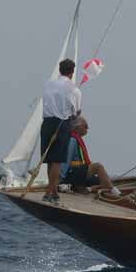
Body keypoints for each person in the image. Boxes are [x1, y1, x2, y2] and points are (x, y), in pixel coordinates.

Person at [41, 59, 82, 203]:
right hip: (61, 124)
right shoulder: (74, 89)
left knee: (49, 160)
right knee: (57, 161)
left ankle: (53, 192)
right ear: (72, 72)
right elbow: (76, 113)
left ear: (60, 70)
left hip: (46, 123)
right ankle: (48, 193)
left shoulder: (48, 84)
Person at [60, 117, 121, 196]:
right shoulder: (72, 140)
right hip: (72, 174)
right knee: (98, 166)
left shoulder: (78, 140)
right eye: (86, 126)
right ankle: (116, 193)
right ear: (78, 127)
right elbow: (66, 160)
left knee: (104, 180)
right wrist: (61, 180)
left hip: (79, 173)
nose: (87, 129)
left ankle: (88, 188)